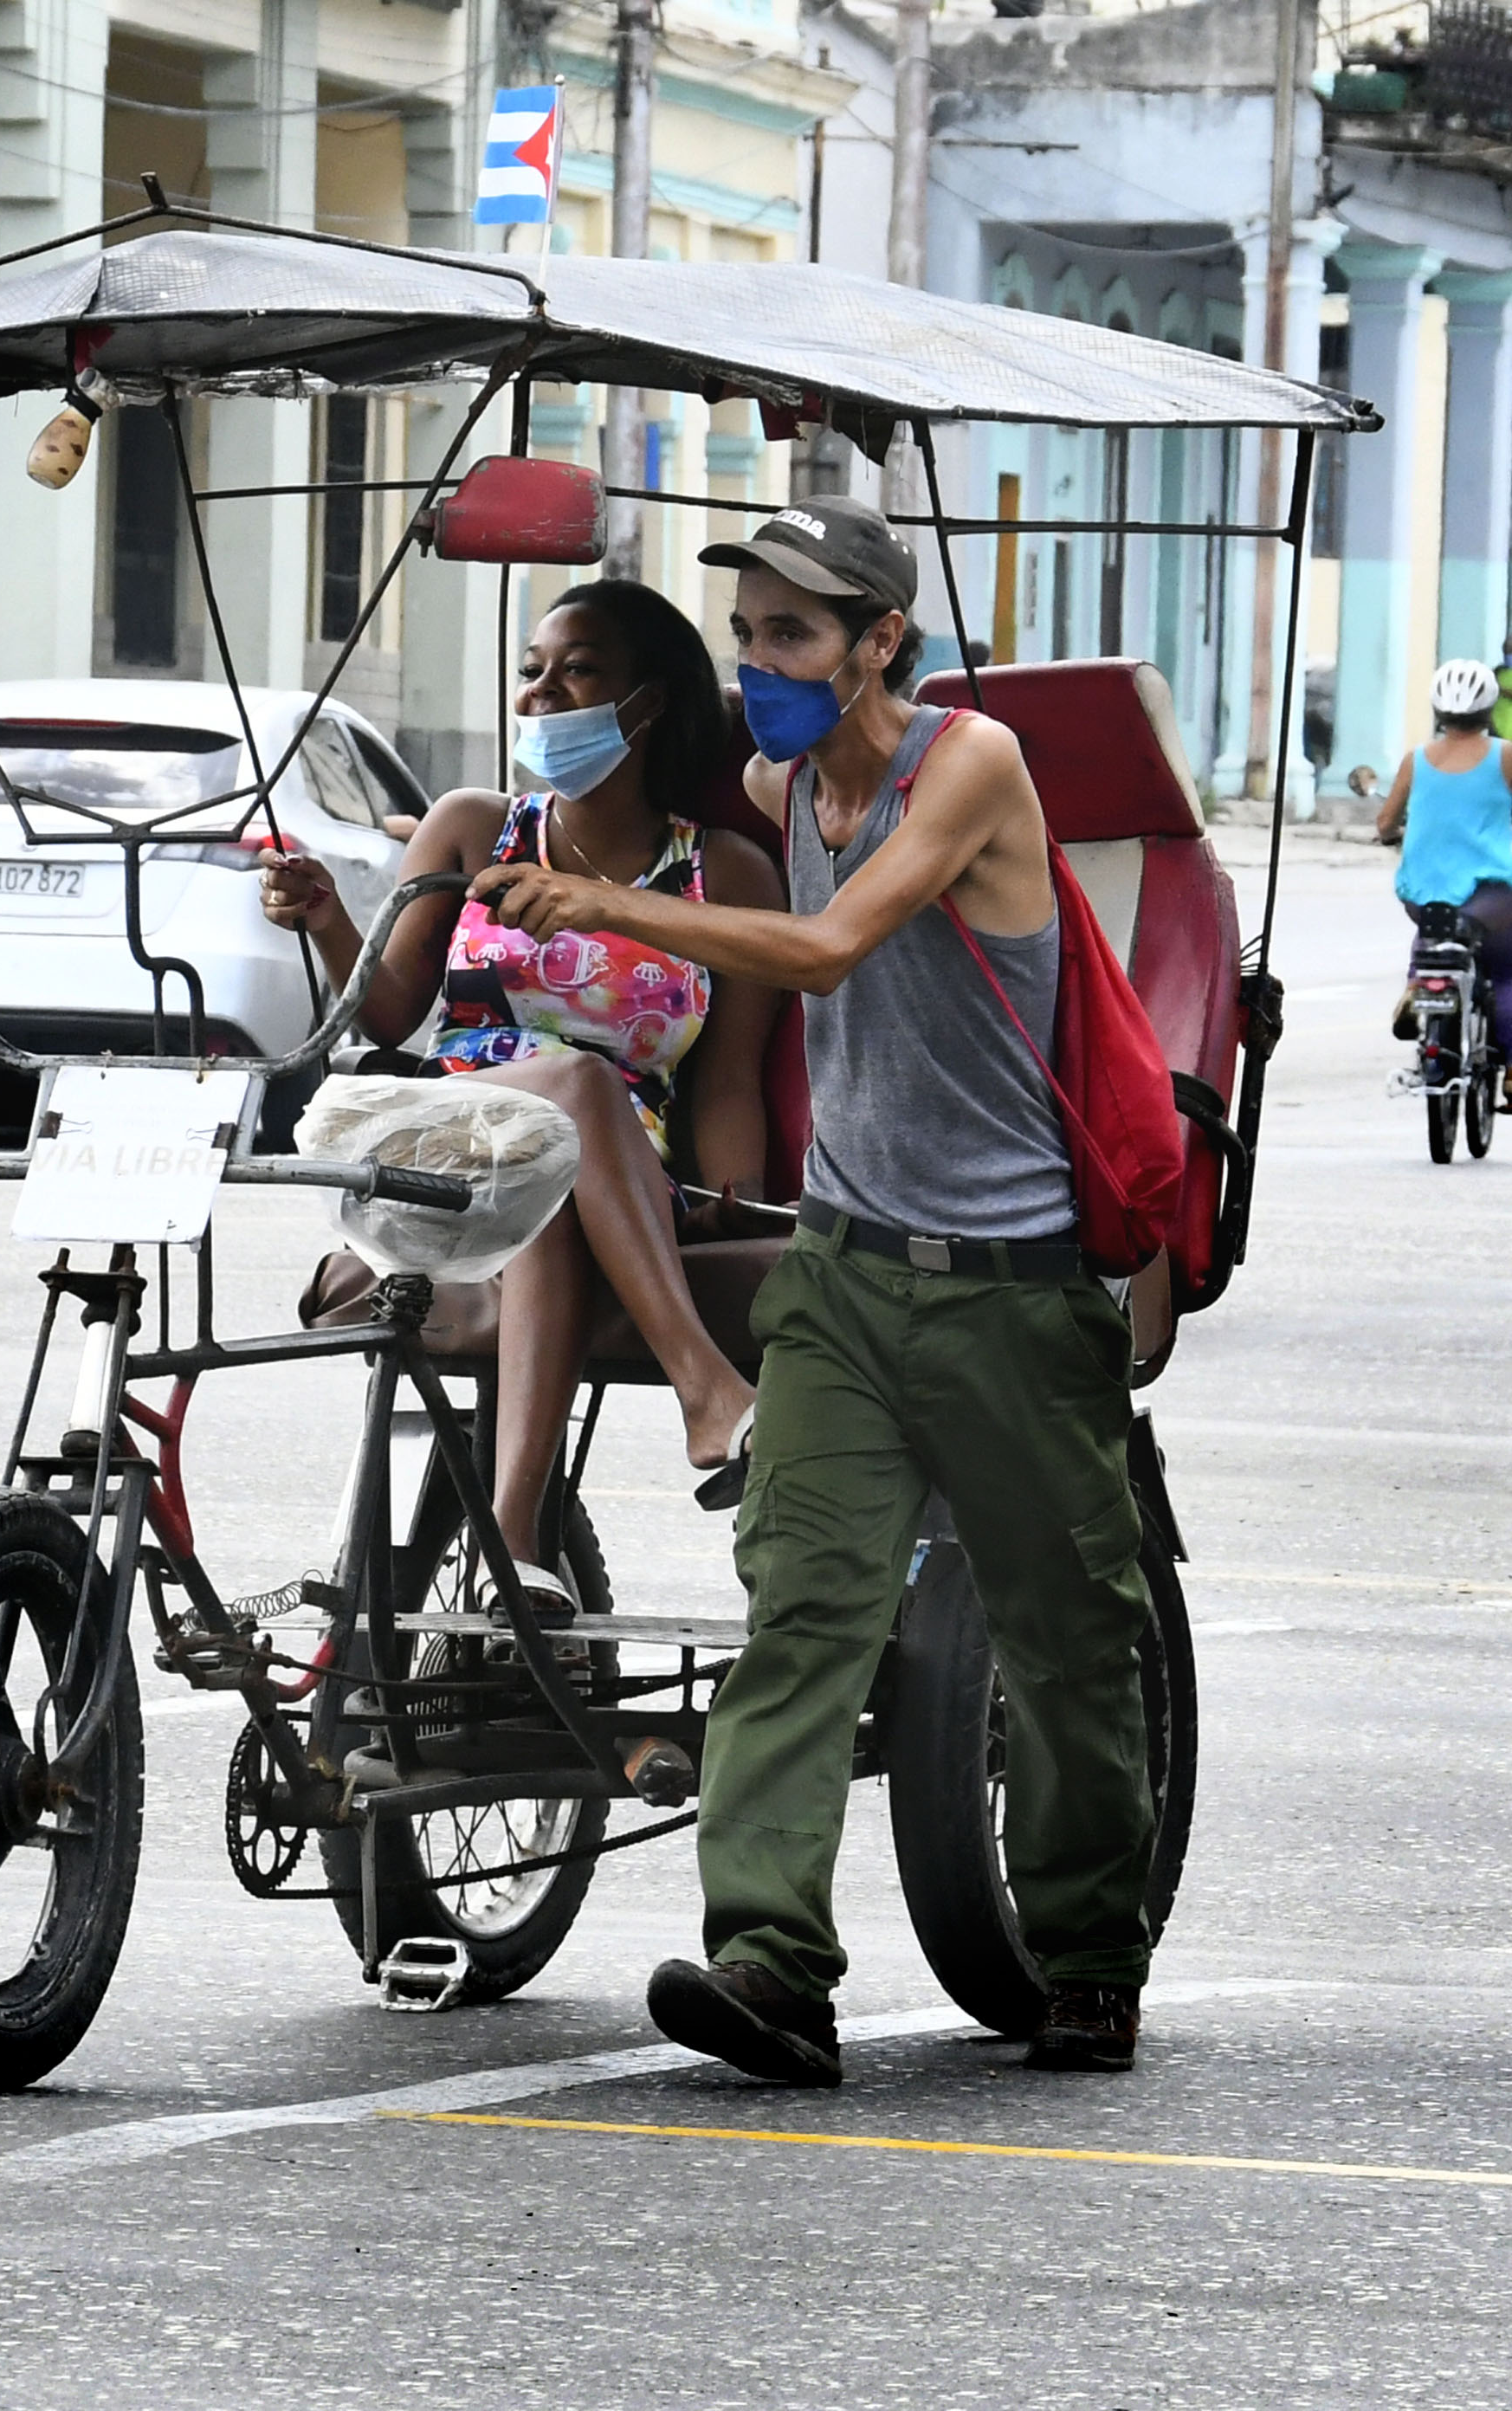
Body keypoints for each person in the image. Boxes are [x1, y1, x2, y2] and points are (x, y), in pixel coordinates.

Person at [468, 501, 1162, 2085]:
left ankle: (1090, 1954)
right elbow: (621, 792)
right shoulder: (780, 785)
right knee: (803, 1621)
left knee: (1062, 1645)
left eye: (794, 632)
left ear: (881, 645)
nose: (762, 662)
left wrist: (612, 909)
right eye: (750, 633)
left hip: (1007, 1281)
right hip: (844, 1272)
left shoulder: (969, 761)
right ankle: (772, 1961)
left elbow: (835, 946)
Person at [262, 579, 780, 1607]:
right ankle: (705, 1391)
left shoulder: (728, 872)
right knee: (564, 1094)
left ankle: (514, 1546)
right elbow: (389, 1014)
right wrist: (326, 919)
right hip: (434, 1152)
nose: (541, 694)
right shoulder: (471, 828)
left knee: (548, 1152)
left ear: (650, 702)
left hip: (605, 1185)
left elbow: (725, 1083)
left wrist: (732, 1192)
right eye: (531, 671)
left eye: (576, 671)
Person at [1377, 658, 1512, 1115]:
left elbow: (1385, 823)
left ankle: (1418, 987)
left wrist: (1393, 834)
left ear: (1439, 710)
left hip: (1424, 895)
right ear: (1489, 708)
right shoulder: (1504, 755)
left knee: (1435, 932)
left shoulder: (1415, 760)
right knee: (1506, 973)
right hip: (1489, 897)